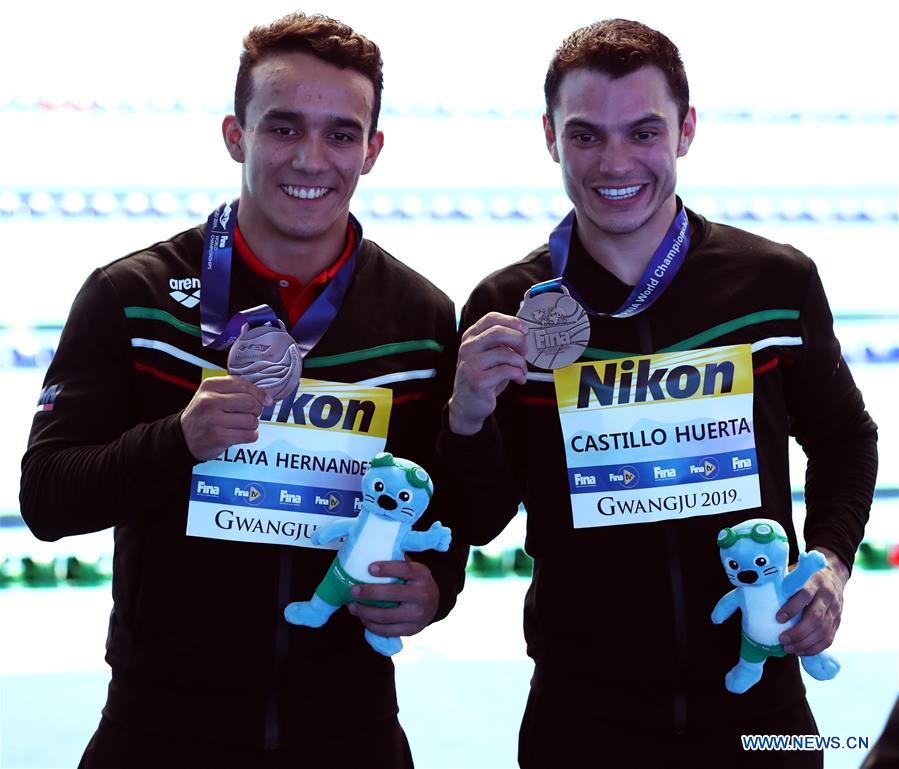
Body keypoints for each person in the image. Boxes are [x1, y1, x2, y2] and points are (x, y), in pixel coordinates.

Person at [20, 12, 467, 769]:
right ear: (236, 134)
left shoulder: (418, 317)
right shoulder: (136, 297)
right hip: (159, 728)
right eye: (283, 128)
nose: (311, 158)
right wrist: (178, 438)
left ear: (373, 149)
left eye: (340, 133)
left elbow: (444, 507)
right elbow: (47, 499)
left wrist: (437, 588)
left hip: (350, 727)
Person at [439, 18, 878, 768]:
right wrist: (467, 414)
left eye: (642, 132)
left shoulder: (772, 284)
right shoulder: (509, 305)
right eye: (585, 136)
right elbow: (478, 521)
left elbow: (844, 437)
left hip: (759, 704)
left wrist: (831, 560)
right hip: (581, 716)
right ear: (549, 136)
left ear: (685, 130)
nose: (614, 161)